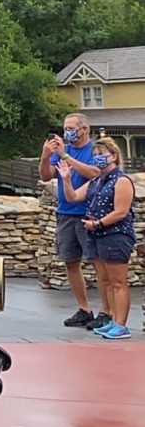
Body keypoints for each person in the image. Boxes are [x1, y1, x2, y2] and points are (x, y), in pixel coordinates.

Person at [58, 137, 135, 339]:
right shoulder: (97, 180)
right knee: (106, 281)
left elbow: (121, 211)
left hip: (115, 235)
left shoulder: (122, 180)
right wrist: (66, 179)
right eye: (96, 155)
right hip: (96, 235)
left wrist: (99, 223)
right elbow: (73, 197)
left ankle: (121, 324)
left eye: (103, 155)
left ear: (115, 156)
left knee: (118, 281)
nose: (99, 158)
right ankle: (112, 320)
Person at [40, 112, 103, 327]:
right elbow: (46, 176)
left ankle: (107, 311)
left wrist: (66, 157)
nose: (67, 132)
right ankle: (84, 308)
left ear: (84, 129)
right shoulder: (60, 152)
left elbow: (95, 172)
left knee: (98, 262)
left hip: (88, 213)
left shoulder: (93, 150)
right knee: (70, 261)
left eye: (71, 128)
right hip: (66, 212)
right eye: (65, 128)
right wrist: (46, 156)